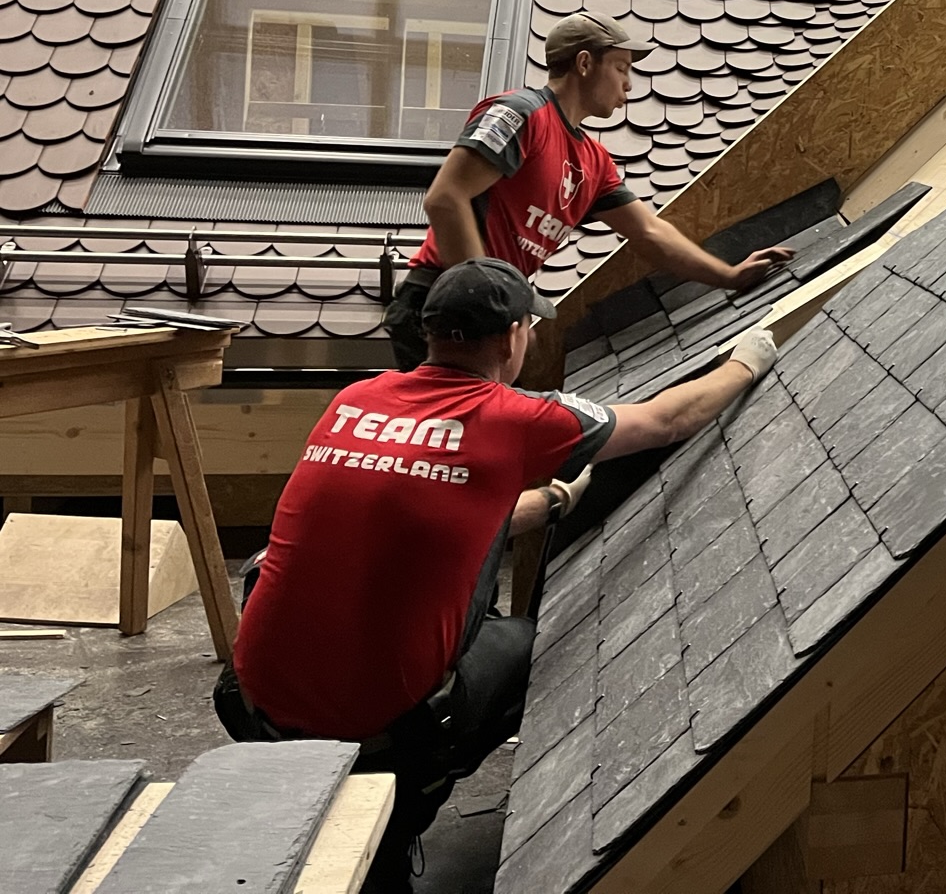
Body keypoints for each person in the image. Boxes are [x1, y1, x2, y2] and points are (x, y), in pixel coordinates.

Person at [216, 258, 778, 892]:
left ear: (430, 331)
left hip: (254, 698)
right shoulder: (520, 419)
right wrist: (746, 361)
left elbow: (437, 506)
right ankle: (411, 794)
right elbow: (668, 420)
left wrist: (554, 501)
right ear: (513, 336)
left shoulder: (357, 398)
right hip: (375, 731)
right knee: (538, 644)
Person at [385, 10, 791, 370]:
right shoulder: (520, 115)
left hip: (494, 311)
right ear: (584, 63)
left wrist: (729, 276)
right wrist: (495, 302)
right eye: (621, 68)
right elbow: (445, 199)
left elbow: (649, 233)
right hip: (442, 303)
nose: (628, 85)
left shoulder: (593, 163)